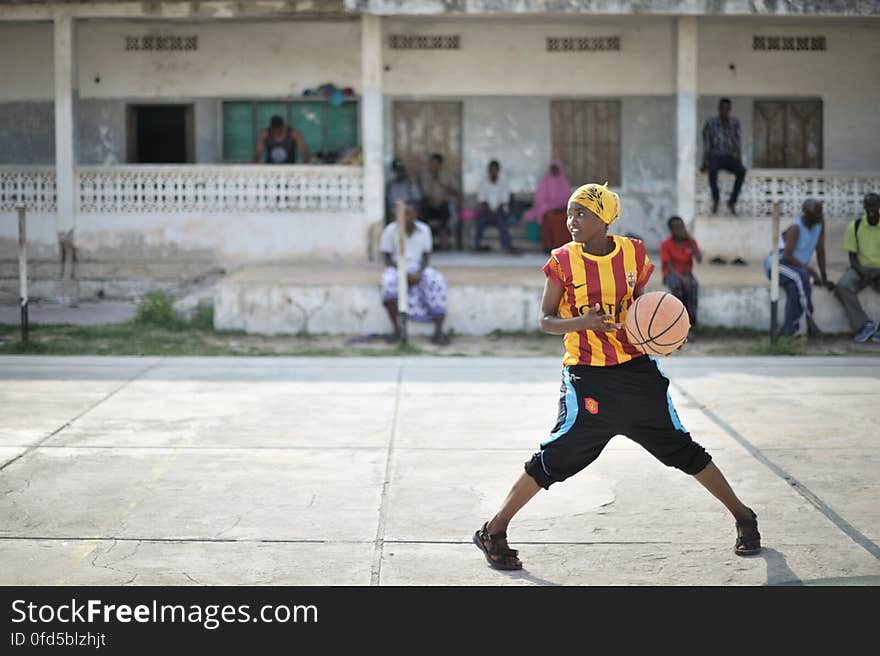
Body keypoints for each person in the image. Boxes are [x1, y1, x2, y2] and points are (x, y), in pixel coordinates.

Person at [473, 182, 761, 571]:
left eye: (581, 213)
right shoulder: (562, 260)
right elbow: (545, 320)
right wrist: (583, 322)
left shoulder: (633, 252)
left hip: (637, 371)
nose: (572, 220)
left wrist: (666, 336)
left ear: (604, 218)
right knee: (555, 456)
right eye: (570, 212)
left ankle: (744, 518)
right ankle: (494, 529)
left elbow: (645, 308)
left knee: (683, 449)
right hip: (588, 376)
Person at [379, 202, 449, 345]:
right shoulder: (390, 230)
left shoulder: (424, 230)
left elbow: (426, 256)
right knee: (388, 282)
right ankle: (397, 330)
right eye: (403, 213)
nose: (406, 217)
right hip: (397, 266)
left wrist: (419, 272)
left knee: (437, 281)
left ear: (415, 214)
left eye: (409, 213)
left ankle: (439, 331)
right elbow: (386, 257)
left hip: (417, 266)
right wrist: (402, 272)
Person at [764, 198, 834, 337]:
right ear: (806, 213)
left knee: (794, 288)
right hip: (778, 265)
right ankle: (810, 321)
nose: (820, 217)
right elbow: (787, 257)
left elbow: (820, 250)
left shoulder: (819, 223)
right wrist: (811, 271)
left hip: (795, 268)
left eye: (821, 213)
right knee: (801, 276)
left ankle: (788, 330)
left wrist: (824, 277)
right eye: (816, 214)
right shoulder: (796, 228)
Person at [834, 192, 880, 343]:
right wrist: (864, 274)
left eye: (875, 205)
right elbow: (852, 257)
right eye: (869, 205)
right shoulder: (855, 226)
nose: (872, 208)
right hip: (861, 268)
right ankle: (864, 325)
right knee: (842, 286)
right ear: (864, 206)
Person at [701, 98, 746, 216]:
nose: (724, 111)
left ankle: (732, 201)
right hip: (715, 156)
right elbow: (707, 144)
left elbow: (738, 143)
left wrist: (739, 160)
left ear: (730, 110)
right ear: (719, 108)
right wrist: (704, 162)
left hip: (730, 157)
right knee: (712, 170)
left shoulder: (735, 123)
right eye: (722, 108)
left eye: (727, 108)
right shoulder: (711, 123)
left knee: (741, 171)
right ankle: (716, 199)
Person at [660, 216, 702, 337]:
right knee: (677, 289)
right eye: (677, 228)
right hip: (671, 274)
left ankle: (691, 325)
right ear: (672, 230)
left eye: (682, 226)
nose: (681, 230)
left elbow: (699, 259)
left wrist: (691, 241)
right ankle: (678, 324)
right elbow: (668, 265)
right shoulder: (666, 244)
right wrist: (681, 279)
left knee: (693, 287)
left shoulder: (690, 242)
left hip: (687, 274)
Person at [524, 159, 573, 252]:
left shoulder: (564, 183)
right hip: (548, 210)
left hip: (562, 210)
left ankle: (563, 247)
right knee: (549, 218)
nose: (554, 171)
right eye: (553, 169)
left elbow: (569, 199)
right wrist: (551, 207)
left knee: (564, 220)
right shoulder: (545, 182)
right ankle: (549, 246)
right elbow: (539, 200)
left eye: (556, 169)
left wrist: (561, 207)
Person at [475, 160, 521, 255]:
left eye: (495, 170)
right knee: (480, 223)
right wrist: (490, 212)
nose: (493, 172)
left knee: (502, 223)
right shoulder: (483, 183)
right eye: (491, 170)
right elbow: (482, 200)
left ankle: (507, 247)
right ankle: (476, 245)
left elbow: (504, 200)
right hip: (487, 211)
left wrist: (495, 213)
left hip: (500, 211)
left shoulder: (504, 183)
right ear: (488, 171)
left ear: (498, 170)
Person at [418, 153, 459, 251]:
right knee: (422, 213)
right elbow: (422, 192)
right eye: (432, 163)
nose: (433, 166)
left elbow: (456, 192)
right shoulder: (424, 176)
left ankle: (444, 245)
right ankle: (424, 245)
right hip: (429, 205)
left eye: (436, 164)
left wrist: (444, 186)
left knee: (445, 214)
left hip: (442, 204)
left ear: (440, 164)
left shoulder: (447, 176)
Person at [385, 158, 422, 225]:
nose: (399, 172)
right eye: (397, 170)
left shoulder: (409, 182)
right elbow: (390, 205)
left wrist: (412, 183)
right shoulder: (390, 185)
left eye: (401, 170)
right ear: (393, 171)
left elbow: (418, 198)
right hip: (395, 215)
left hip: (409, 214)